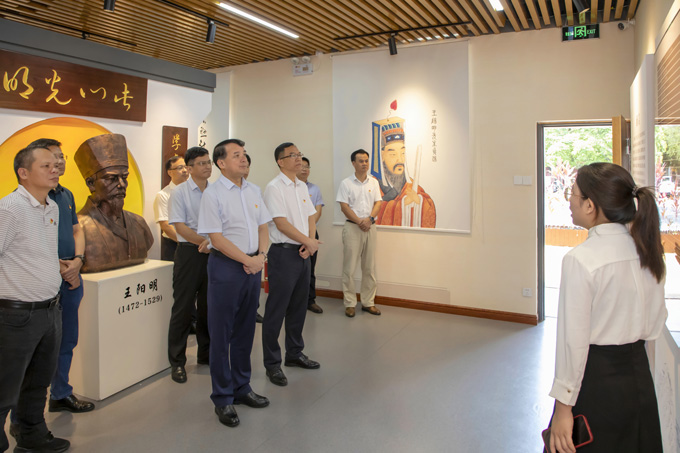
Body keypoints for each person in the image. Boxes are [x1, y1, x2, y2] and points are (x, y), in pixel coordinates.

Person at [547, 163, 667, 453]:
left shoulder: (580, 260)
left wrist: (563, 409)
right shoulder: (647, 253)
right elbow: (655, 325)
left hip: (597, 383)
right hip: (639, 379)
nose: (569, 201)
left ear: (590, 205)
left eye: (573, 194)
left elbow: (573, 342)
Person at [0, 144, 69, 453]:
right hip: (16, 314)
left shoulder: (51, 206)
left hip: (49, 309)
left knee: (38, 382)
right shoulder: (9, 209)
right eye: (46, 166)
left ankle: (31, 434)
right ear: (23, 173)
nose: (55, 169)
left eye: (56, 164)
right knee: (5, 387)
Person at [197, 139, 271, 428]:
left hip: (253, 266)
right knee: (221, 333)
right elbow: (216, 238)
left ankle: (242, 387)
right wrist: (247, 260)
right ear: (221, 163)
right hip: (226, 267)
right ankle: (222, 398)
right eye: (236, 155)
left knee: (245, 330)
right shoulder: (213, 194)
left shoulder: (253, 190)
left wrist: (261, 257)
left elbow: (263, 227)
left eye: (244, 155)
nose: (243, 159)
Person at [30, 140, 93, 414]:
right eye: (51, 158)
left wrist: (77, 262)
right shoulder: (27, 200)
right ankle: (27, 411)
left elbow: (77, 230)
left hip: (70, 277)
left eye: (61, 156)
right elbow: (27, 244)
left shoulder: (65, 195)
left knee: (67, 339)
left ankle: (60, 392)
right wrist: (59, 267)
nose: (59, 162)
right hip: (43, 279)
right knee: (38, 346)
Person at [262, 143, 321, 387]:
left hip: (303, 252)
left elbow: (310, 216)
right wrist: (308, 241)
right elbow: (281, 223)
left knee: (298, 306)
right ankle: (272, 364)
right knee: (277, 310)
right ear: (280, 161)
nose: (299, 159)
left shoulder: (301, 186)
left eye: (299, 154)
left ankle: (294, 353)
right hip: (283, 253)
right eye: (293, 155)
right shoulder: (274, 187)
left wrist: (309, 242)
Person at [74, 133, 153, 273]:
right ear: (91, 183)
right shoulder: (78, 227)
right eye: (111, 179)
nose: (121, 184)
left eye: (124, 177)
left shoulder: (139, 223)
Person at [167, 147, 212, 383]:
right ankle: (177, 362)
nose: (207, 167)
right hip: (189, 253)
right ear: (190, 168)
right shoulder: (180, 192)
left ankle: (206, 355)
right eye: (202, 163)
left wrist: (212, 244)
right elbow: (180, 227)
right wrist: (205, 242)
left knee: (208, 307)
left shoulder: (215, 191)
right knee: (183, 308)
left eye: (209, 162)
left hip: (213, 253)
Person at [336, 149, 382, 318]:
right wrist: (359, 221)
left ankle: (368, 302)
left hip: (370, 227)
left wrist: (369, 219)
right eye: (361, 161)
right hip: (352, 228)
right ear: (353, 163)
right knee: (349, 268)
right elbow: (344, 207)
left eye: (366, 161)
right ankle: (349, 303)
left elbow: (378, 203)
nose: (364, 164)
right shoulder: (346, 183)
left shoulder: (374, 182)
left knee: (369, 267)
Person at [371, 122, 435, 227]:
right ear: (382, 155)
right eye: (393, 154)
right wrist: (403, 204)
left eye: (403, 153)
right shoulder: (372, 184)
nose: (400, 159)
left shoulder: (411, 185)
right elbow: (370, 211)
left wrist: (419, 201)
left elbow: (428, 207)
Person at [297, 157, 324, 314]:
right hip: (295, 234)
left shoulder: (315, 189)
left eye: (307, 166)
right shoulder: (290, 188)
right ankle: (294, 301)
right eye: (301, 166)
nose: (304, 169)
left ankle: (310, 300)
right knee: (295, 270)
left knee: (310, 268)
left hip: (312, 233)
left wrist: (310, 231)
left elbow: (318, 211)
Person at [154, 156, 189, 261]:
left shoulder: (195, 191)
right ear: (170, 172)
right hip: (174, 245)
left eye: (186, 167)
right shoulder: (163, 195)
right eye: (180, 168)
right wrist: (187, 243)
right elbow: (166, 226)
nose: (185, 170)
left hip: (196, 244)